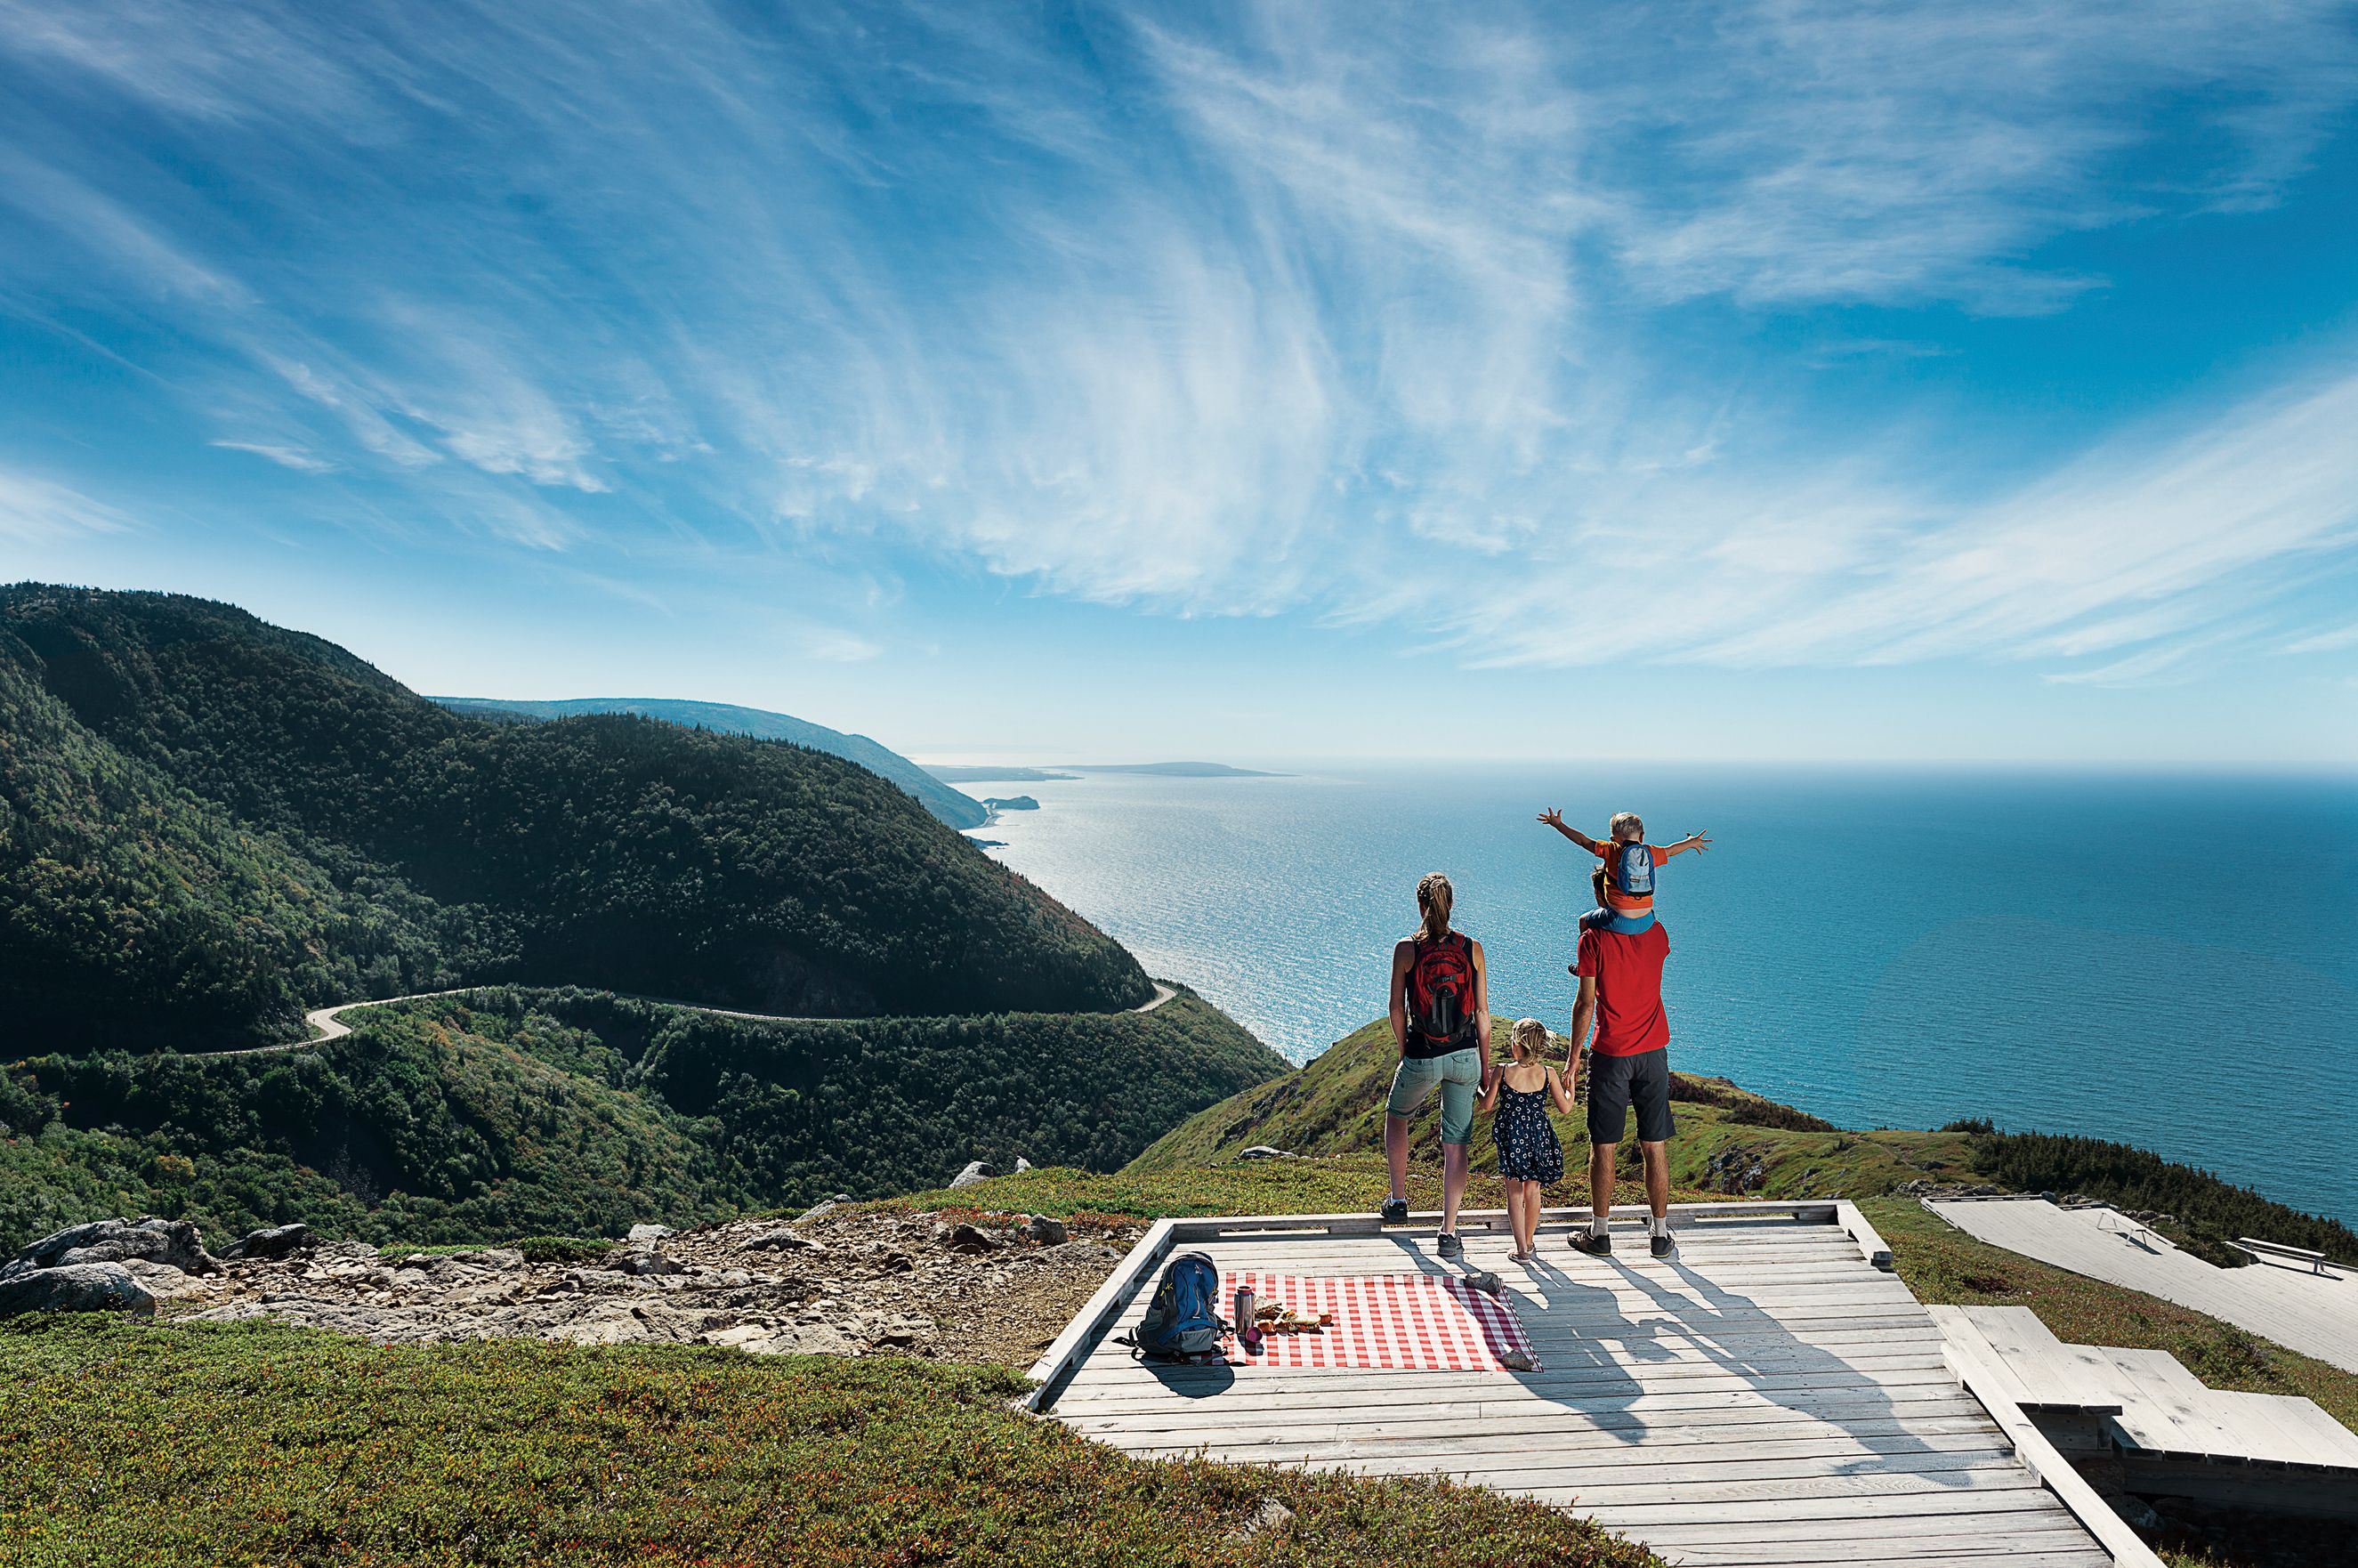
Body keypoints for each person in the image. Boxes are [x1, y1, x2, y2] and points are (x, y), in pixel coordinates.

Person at [1566, 865, 1678, 1258]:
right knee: (1655, 1145)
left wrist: (1573, 1059)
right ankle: (1661, 1235)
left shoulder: (1591, 939)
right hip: (1652, 1052)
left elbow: (1585, 1004)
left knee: (1604, 1146)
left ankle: (1600, 1234)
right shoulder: (1657, 933)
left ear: (1601, 896)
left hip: (1611, 1053)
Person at [1379, 871, 1490, 1261]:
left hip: (1422, 1054)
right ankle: (1449, 1230)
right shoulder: (1471, 948)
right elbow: (1481, 1013)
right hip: (1465, 1057)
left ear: (1421, 905)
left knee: (1397, 1115)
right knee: (1455, 1141)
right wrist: (1485, 1067)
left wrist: (1403, 1049)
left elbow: (1396, 1008)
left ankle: (1398, 1200)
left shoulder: (1406, 949)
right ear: (1451, 904)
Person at [1478, 1017, 1573, 1263]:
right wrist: (1570, 1090)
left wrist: (1480, 1086)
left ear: (1517, 1045)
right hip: (1538, 1136)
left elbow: (1487, 1105)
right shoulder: (1548, 1073)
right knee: (1533, 1189)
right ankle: (1529, 1242)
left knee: (1513, 1193)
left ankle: (1521, 1249)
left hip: (1513, 1138)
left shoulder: (1502, 1070)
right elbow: (1565, 1108)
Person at [1537, 808, 1710, 931]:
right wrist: (1691, 842)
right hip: (1647, 920)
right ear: (1642, 837)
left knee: (1584, 921)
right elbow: (1671, 850)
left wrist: (1558, 825)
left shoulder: (1610, 850)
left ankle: (1583, 965)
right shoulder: (1649, 853)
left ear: (1613, 838)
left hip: (1618, 919)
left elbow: (1583, 841)